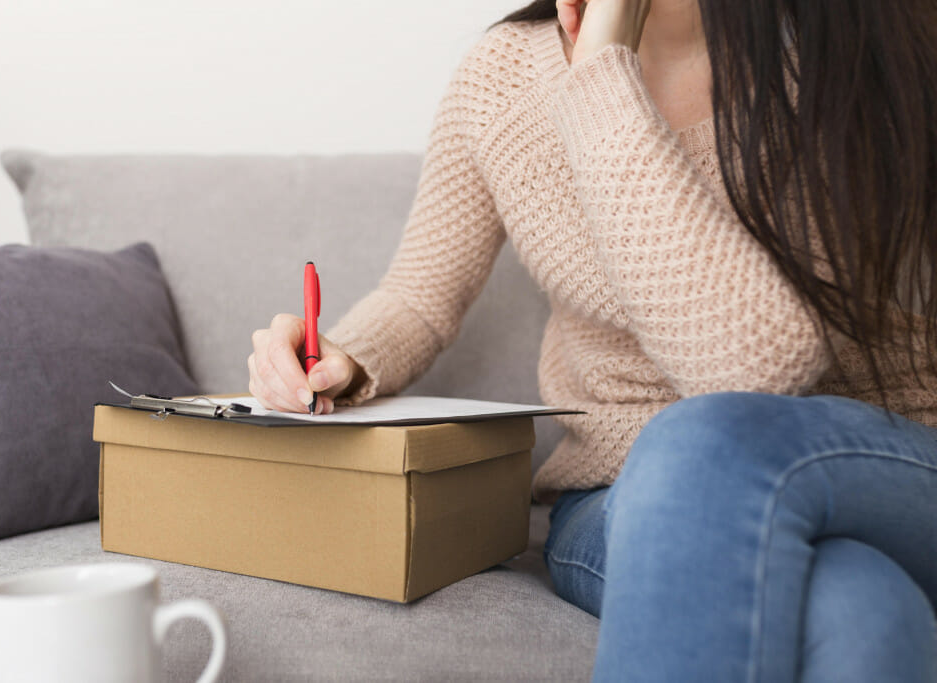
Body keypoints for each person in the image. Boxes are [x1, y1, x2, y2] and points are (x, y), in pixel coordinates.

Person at [249, 0, 937, 680]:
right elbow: (418, 296)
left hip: (876, 459)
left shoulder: (839, 44)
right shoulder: (503, 79)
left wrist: (602, 75)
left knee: (700, 442)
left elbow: (751, 373)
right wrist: (342, 355)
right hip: (618, 491)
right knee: (863, 609)